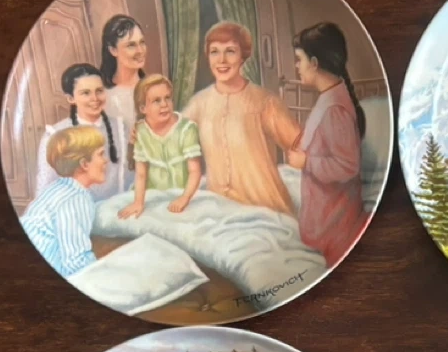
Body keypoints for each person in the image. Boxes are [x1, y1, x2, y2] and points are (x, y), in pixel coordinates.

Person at [183, 21, 303, 215]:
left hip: (265, 208)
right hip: (220, 212)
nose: (221, 60)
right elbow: (172, 135)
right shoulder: (198, 103)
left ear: (243, 56)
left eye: (230, 51)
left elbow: (302, 145)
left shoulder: (265, 102)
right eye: (214, 52)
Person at [284, 22, 369, 265]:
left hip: (334, 223)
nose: (297, 66)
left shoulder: (334, 109)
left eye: (299, 60)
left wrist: (306, 161)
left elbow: (347, 166)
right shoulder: (330, 97)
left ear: (314, 62)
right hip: (323, 215)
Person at [20, 126, 108, 277]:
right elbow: (76, 262)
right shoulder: (76, 199)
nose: (105, 160)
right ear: (84, 164)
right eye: (100, 154)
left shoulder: (59, 187)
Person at [36, 64, 128, 200]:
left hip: (115, 208)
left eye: (99, 91)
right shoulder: (55, 135)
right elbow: (44, 189)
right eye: (86, 93)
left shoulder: (120, 128)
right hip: (74, 209)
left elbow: (131, 176)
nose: (95, 98)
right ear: (71, 98)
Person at [118, 74, 203, 220]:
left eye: (167, 98)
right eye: (156, 101)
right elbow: (141, 174)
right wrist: (138, 202)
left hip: (183, 192)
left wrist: (184, 198)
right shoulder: (141, 131)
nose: (164, 104)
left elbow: (194, 171)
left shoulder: (186, 129)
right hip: (152, 194)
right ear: (143, 108)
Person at [100, 15, 149, 135]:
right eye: (131, 45)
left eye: (142, 42)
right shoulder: (101, 94)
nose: (140, 51)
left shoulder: (152, 88)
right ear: (113, 50)